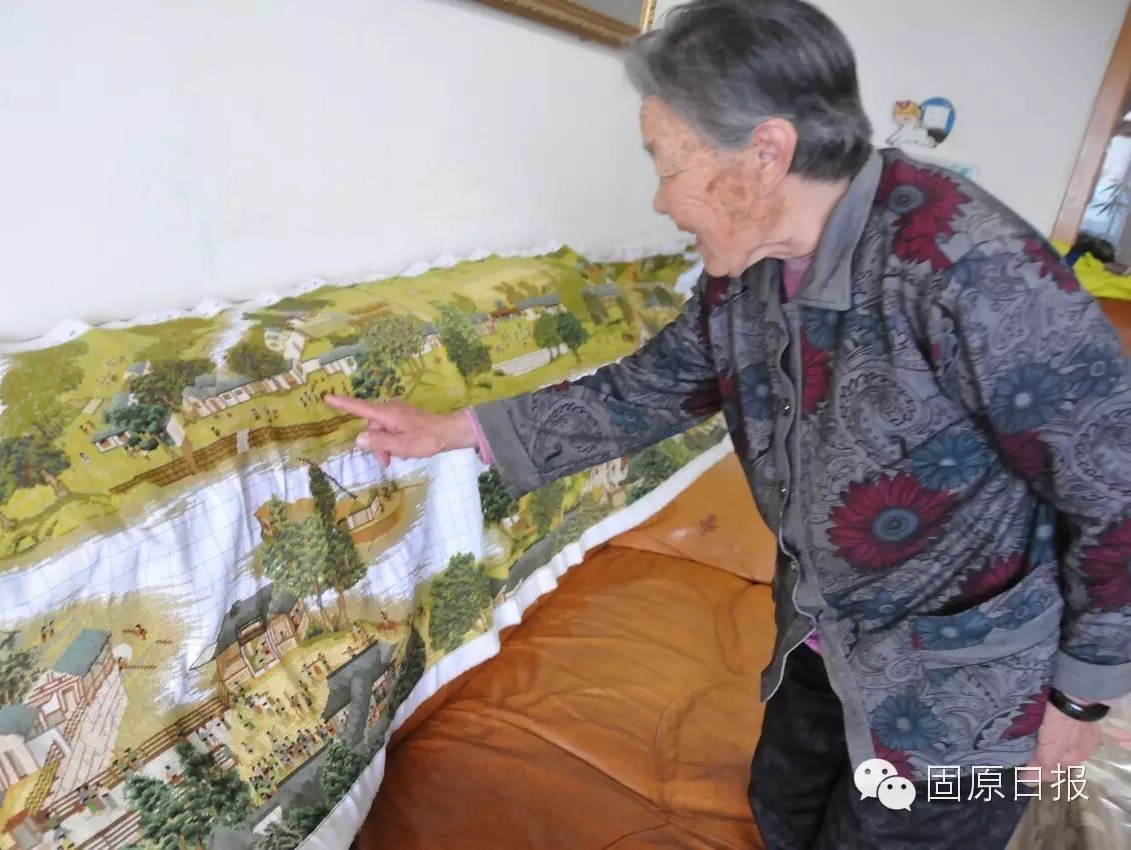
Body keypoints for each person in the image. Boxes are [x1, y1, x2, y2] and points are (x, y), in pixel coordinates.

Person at [324, 1, 1131, 847]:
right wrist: (452, 430)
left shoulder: (975, 268)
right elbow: (648, 388)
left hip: (964, 682)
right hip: (820, 639)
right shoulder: (746, 269)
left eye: (667, 163)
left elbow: (1113, 487)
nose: (661, 199)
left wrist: (1078, 700)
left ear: (766, 153)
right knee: (781, 810)